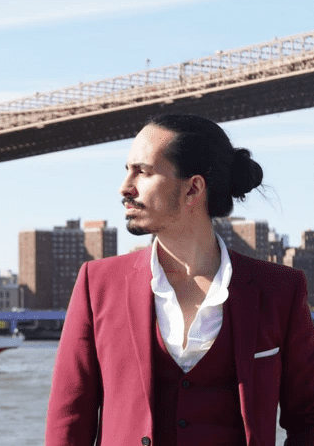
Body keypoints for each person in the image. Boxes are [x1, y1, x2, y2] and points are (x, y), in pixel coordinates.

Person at [45, 113, 314, 446]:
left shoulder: (280, 290)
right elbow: (68, 423)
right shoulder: (97, 283)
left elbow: (308, 420)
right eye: (127, 170)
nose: (125, 187)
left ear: (193, 188)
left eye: (142, 171)